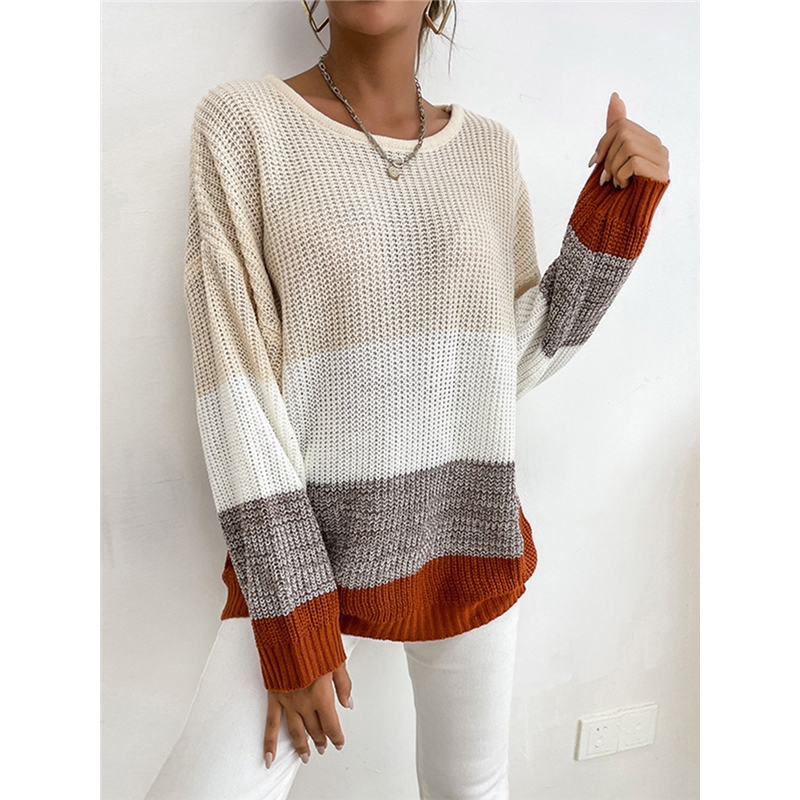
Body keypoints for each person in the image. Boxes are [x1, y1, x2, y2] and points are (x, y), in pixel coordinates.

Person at [144, 1, 670, 798]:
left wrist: (619, 208)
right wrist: (293, 614)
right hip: (306, 558)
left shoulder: (490, 151)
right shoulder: (245, 123)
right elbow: (235, 377)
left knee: (472, 790)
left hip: (469, 537)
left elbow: (506, 359)